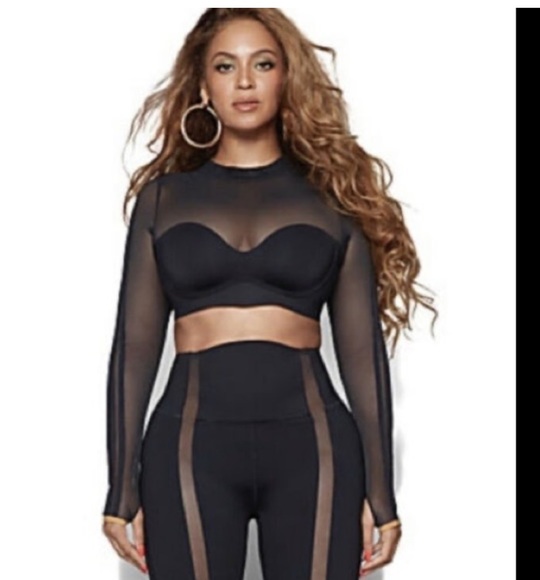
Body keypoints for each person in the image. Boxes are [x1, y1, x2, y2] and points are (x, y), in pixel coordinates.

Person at [101, 8, 437, 580]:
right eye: (225, 66)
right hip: (188, 449)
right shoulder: (162, 201)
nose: (245, 82)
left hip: (315, 449)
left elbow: (362, 355)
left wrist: (382, 496)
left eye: (263, 64)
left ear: (287, 77)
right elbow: (133, 350)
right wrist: (119, 488)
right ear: (203, 85)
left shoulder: (334, 198)